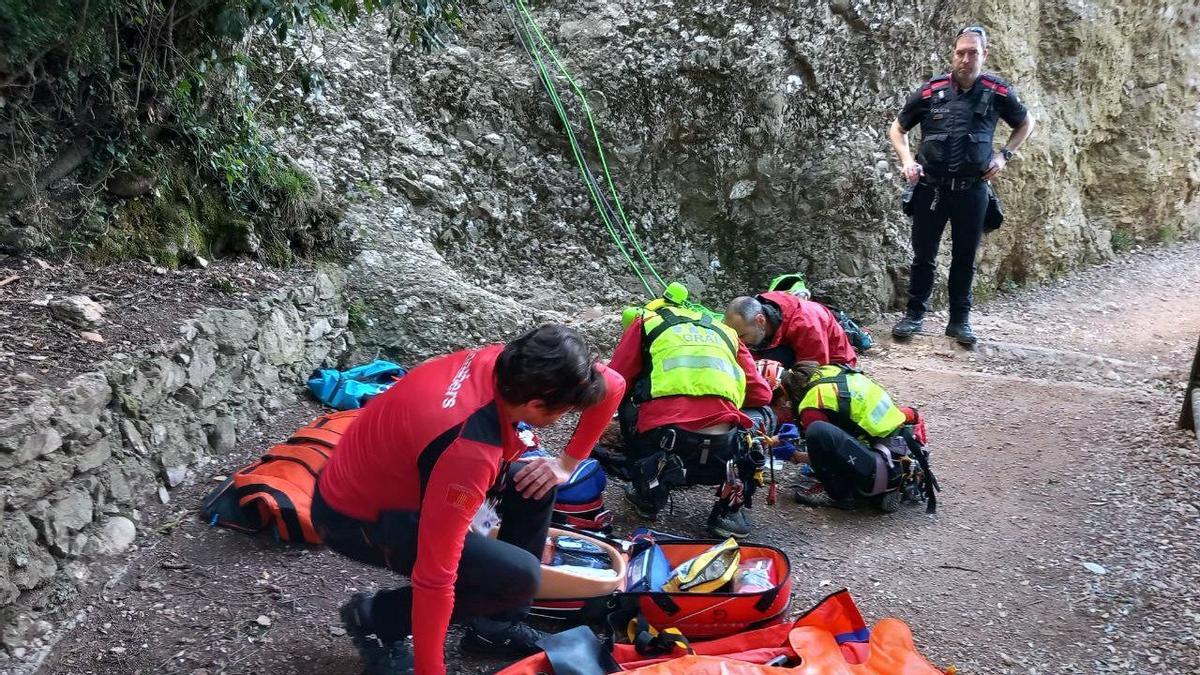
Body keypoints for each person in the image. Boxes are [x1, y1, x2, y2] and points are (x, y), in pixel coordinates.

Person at [312, 325, 625, 675]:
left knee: (536, 482)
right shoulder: (470, 453)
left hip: (402, 474)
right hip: (354, 515)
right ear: (537, 404)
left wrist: (566, 464)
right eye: (564, 412)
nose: (563, 418)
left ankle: (495, 628)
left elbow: (613, 384)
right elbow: (435, 576)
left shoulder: (509, 364)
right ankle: (374, 619)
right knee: (517, 577)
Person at [888, 25, 1035, 346]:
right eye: (961, 52)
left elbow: (1026, 122)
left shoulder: (997, 91)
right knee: (923, 256)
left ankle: (959, 321)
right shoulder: (930, 91)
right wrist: (907, 160)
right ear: (953, 54)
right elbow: (897, 128)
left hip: (973, 189)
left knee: (965, 256)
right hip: (931, 188)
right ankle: (914, 315)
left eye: (973, 52)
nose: (966, 59)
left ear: (985, 54)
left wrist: (1004, 155)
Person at [607, 302, 774, 538]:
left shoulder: (647, 322)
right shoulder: (727, 333)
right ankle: (728, 511)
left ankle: (647, 494)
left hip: (663, 442)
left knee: (627, 397)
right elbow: (762, 394)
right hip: (722, 449)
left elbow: (615, 378)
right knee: (763, 415)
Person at [779, 361, 927, 512]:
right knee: (828, 435)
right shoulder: (832, 373)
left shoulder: (810, 407)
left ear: (786, 395)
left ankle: (838, 494)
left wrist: (795, 455)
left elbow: (823, 453)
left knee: (817, 432)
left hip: (881, 464)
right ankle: (887, 486)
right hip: (900, 446)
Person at [723, 293, 858, 369]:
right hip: (788, 353)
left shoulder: (806, 323)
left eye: (743, 336)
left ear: (760, 321)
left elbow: (814, 371)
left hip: (835, 367)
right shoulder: (757, 316)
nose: (740, 342)